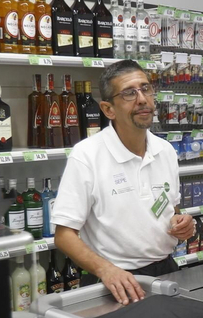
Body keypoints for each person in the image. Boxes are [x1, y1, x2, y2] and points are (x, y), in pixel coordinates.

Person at [52, 60, 194, 304]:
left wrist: (181, 224)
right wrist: (106, 270)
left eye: (146, 89)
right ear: (108, 109)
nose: (142, 99)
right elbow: (64, 235)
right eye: (129, 93)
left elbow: (172, 210)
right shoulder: (87, 155)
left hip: (166, 271)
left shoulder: (166, 150)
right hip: (115, 281)